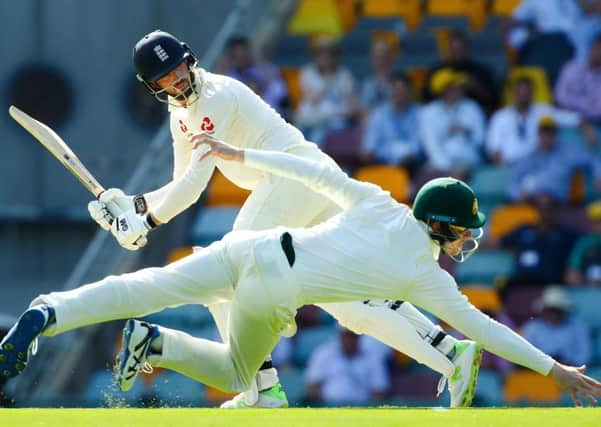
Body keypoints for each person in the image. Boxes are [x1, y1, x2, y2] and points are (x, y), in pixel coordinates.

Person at [2, 136, 600, 408]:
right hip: (275, 289)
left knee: (146, 285)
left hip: (251, 246)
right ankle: (156, 342)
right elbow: (488, 332)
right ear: (440, 226)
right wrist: (556, 372)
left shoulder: (377, 200)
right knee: (243, 376)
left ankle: (50, 309)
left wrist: (239, 157)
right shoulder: (427, 278)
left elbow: (312, 174)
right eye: (464, 229)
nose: (470, 238)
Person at [82, 30, 478, 408]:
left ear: (189, 59)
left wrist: (146, 222)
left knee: (229, 267)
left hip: (294, 179)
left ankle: (263, 387)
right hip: (305, 181)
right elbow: (178, 183)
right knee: (350, 302)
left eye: (179, 68)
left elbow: (194, 186)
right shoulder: (180, 114)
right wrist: (130, 207)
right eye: (165, 77)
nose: (176, 79)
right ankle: (451, 353)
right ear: (153, 85)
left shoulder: (215, 97)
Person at [487, 76, 597, 166]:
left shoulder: (543, 111)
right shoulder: (500, 117)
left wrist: (587, 129)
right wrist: (503, 167)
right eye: (520, 92)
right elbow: (494, 148)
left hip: (538, 164)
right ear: (513, 93)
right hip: (509, 165)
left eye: (527, 92)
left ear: (532, 94)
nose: (524, 95)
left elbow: (572, 118)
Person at [507, 116, 601, 204]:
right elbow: (513, 183)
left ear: (556, 134)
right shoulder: (529, 157)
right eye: (544, 132)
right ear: (538, 134)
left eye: (551, 132)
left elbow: (593, 159)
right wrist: (518, 195)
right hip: (533, 204)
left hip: (559, 205)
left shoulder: (567, 153)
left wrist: (599, 175)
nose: (547, 136)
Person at [294, 35, 358, 145]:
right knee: (297, 132)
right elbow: (314, 99)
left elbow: (351, 106)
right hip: (310, 118)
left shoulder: (344, 75)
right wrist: (326, 81)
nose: (324, 57)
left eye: (328, 53)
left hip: (334, 120)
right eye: (320, 53)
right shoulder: (307, 72)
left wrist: (340, 113)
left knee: (318, 135)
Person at [419, 68, 485, 174]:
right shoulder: (429, 112)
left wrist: (466, 131)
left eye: (458, 86)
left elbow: (480, 140)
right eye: (452, 87)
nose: (458, 89)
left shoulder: (472, 107)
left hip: (468, 162)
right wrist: (448, 169)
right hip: (438, 165)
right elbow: (431, 146)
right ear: (442, 90)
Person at [305, 328, 389, 405]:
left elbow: (378, 390)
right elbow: (313, 385)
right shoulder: (323, 353)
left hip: (361, 408)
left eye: (353, 336)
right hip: (329, 407)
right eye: (346, 335)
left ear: (359, 337)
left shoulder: (372, 357)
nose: (349, 340)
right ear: (340, 335)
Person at [423, 29, 497, 113]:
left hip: (474, 113)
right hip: (441, 113)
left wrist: (476, 87)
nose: (456, 52)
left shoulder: (481, 71)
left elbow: (493, 100)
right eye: (453, 48)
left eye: (460, 48)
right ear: (447, 49)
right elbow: (426, 98)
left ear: (467, 48)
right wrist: (446, 89)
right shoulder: (436, 70)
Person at [361, 72, 422, 172]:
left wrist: (408, 157)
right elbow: (370, 146)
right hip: (382, 162)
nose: (398, 93)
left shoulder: (419, 113)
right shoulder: (378, 114)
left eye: (402, 90)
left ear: (409, 91)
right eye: (395, 89)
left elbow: (417, 146)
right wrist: (370, 154)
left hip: (409, 163)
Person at [522, 286, 592, 367]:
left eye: (556, 309)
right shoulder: (532, 328)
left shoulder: (578, 326)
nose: (553, 313)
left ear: (563, 310)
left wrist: (566, 366)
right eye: (551, 309)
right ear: (544, 309)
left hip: (571, 373)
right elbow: (526, 354)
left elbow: (584, 356)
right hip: (536, 373)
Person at [221, 36, 288, 114]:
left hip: (271, 115)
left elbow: (280, 93)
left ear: (249, 52)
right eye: (236, 56)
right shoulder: (229, 77)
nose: (240, 59)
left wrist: (264, 82)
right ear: (231, 56)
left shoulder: (266, 69)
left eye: (243, 55)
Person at [555, 33, 601, 123]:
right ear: (591, 48)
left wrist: (572, 102)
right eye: (597, 48)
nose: (599, 52)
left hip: (593, 123)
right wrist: (585, 106)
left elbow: (598, 111)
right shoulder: (571, 67)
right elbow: (559, 96)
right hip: (566, 117)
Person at [565, 200, 601, 285]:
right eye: (598, 221)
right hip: (588, 291)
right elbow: (571, 274)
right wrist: (587, 283)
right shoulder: (585, 243)